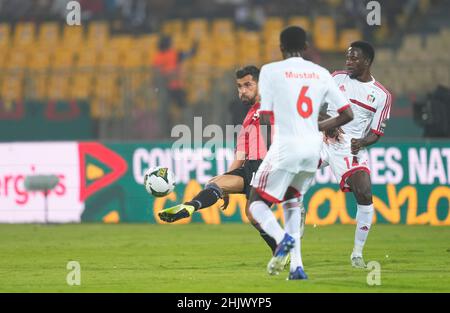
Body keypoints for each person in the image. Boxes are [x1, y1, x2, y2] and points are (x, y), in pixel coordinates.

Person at [247, 26, 354, 280]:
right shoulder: (321, 73)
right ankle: (297, 268)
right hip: (312, 149)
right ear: (306, 46)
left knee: (255, 203)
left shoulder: (271, 71)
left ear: (281, 47)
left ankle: (281, 238)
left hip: (286, 146)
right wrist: (317, 126)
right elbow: (347, 114)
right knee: (292, 202)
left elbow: (264, 119)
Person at [158, 65, 293, 258]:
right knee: (215, 183)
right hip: (250, 167)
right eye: (239, 86)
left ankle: (282, 248)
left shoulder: (271, 105)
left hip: (267, 165)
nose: (242, 91)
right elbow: (241, 153)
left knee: (253, 214)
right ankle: (189, 207)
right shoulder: (249, 116)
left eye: (248, 85)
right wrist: (227, 179)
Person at [316, 41, 392, 268]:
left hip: (349, 147)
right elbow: (311, 106)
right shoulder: (336, 78)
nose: (348, 62)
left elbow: (377, 132)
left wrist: (362, 142)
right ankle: (297, 210)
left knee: (365, 193)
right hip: (322, 137)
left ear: (367, 61)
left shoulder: (381, 95)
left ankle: (357, 253)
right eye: (347, 57)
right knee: (293, 169)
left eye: (354, 58)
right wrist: (326, 123)